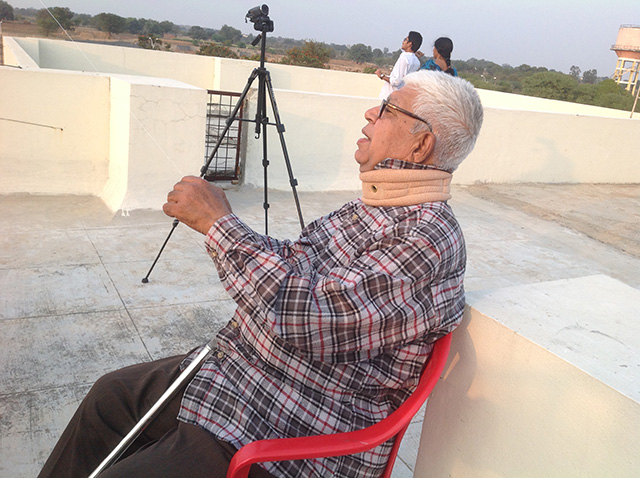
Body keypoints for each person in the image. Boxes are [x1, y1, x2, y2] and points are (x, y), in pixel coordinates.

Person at [38, 70, 483, 478]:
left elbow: (310, 319)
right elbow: (294, 260)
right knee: (108, 397)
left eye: (387, 108)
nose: (371, 112)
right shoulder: (370, 210)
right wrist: (223, 222)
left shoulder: (427, 237)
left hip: (293, 425)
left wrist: (219, 225)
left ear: (420, 145)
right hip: (241, 372)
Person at [375, 31, 422, 99]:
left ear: (409, 44)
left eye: (405, 40)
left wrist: (381, 76)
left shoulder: (404, 57)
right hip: (401, 97)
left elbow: (396, 81)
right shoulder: (417, 61)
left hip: (390, 96)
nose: (403, 42)